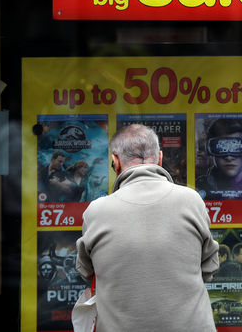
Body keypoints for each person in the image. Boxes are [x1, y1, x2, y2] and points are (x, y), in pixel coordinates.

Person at [75, 124, 218, 331]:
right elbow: (210, 267)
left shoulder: (96, 211)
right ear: (159, 158)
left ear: (115, 162)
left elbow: (87, 272)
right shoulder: (191, 201)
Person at [196, 118, 242, 200]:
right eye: (221, 147)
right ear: (209, 149)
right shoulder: (197, 186)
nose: (229, 157)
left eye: (237, 147)